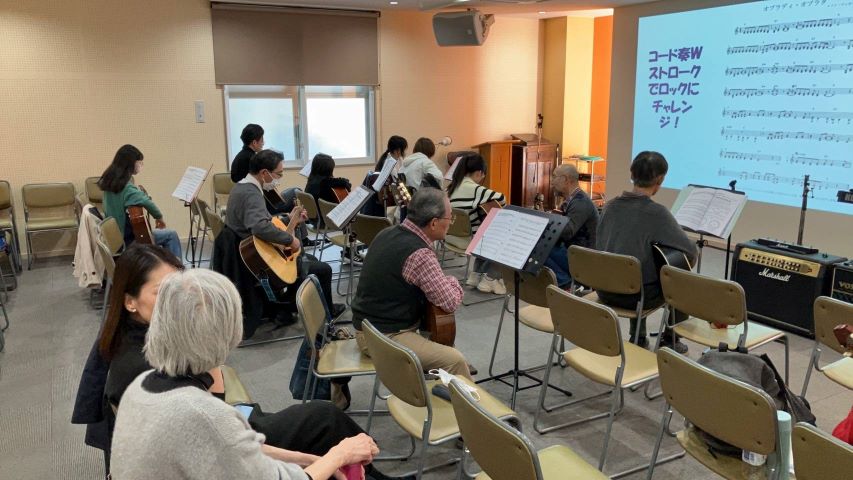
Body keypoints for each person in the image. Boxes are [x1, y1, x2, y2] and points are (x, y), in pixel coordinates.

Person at [98, 245, 408, 480]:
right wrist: (338, 455)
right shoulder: (198, 411)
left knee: (322, 426)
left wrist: (312, 459)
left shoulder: (145, 384)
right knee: (324, 423)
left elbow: (238, 448)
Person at [214, 149, 344, 340]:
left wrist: (290, 220)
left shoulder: (242, 187)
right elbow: (259, 226)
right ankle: (323, 313)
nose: (279, 179)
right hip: (253, 259)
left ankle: (285, 307)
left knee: (307, 259)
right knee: (322, 268)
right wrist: (291, 239)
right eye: (278, 174)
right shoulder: (251, 193)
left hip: (248, 252)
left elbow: (262, 223)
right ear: (264, 173)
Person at [351, 188, 472, 380]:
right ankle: (460, 400)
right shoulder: (420, 254)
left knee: (443, 339)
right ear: (434, 223)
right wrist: (453, 281)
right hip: (383, 337)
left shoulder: (387, 232)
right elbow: (450, 302)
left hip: (366, 327)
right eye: (450, 218)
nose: (450, 223)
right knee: (455, 360)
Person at [595, 151, 697, 352]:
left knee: (633, 268)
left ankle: (639, 337)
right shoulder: (657, 213)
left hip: (604, 289)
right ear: (660, 180)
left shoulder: (609, 206)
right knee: (680, 278)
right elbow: (690, 253)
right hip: (636, 297)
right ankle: (671, 339)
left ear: (631, 173)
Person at [98, 144, 182, 258]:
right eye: (139, 162)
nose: (141, 165)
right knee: (171, 235)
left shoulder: (110, 182)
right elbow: (147, 202)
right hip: (127, 241)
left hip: (114, 238)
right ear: (131, 163)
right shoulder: (126, 188)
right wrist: (159, 217)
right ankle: (176, 268)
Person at [447, 153, 507, 295]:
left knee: (485, 230)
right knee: (506, 237)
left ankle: (476, 274)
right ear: (479, 172)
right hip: (471, 242)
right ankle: (491, 278)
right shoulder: (474, 189)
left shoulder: (451, 188)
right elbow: (501, 199)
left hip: (451, 238)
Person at [545, 163, 599, 288]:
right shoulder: (572, 200)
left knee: (539, 248)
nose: (552, 182)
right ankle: (564, 282)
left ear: (565, 179)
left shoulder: (581, 202)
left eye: (554, 177)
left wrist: (546, 221)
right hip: (574, 253)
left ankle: (567, 285)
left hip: (583, 259)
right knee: (539, 245)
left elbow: (568, 231)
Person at [361, 136, 407, 217]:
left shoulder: (390, 158)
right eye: (403, 150)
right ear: (398, 150)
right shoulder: (389, 162)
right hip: (383, 199)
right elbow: (396, 181)